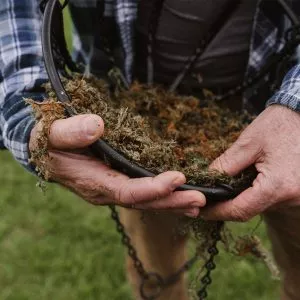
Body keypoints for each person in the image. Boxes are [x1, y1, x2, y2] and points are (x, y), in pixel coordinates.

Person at [1, 0, 300, 299]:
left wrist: (296, 105)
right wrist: (27, 109)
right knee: (156, 274)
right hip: (133, 121)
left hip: (282, 111)